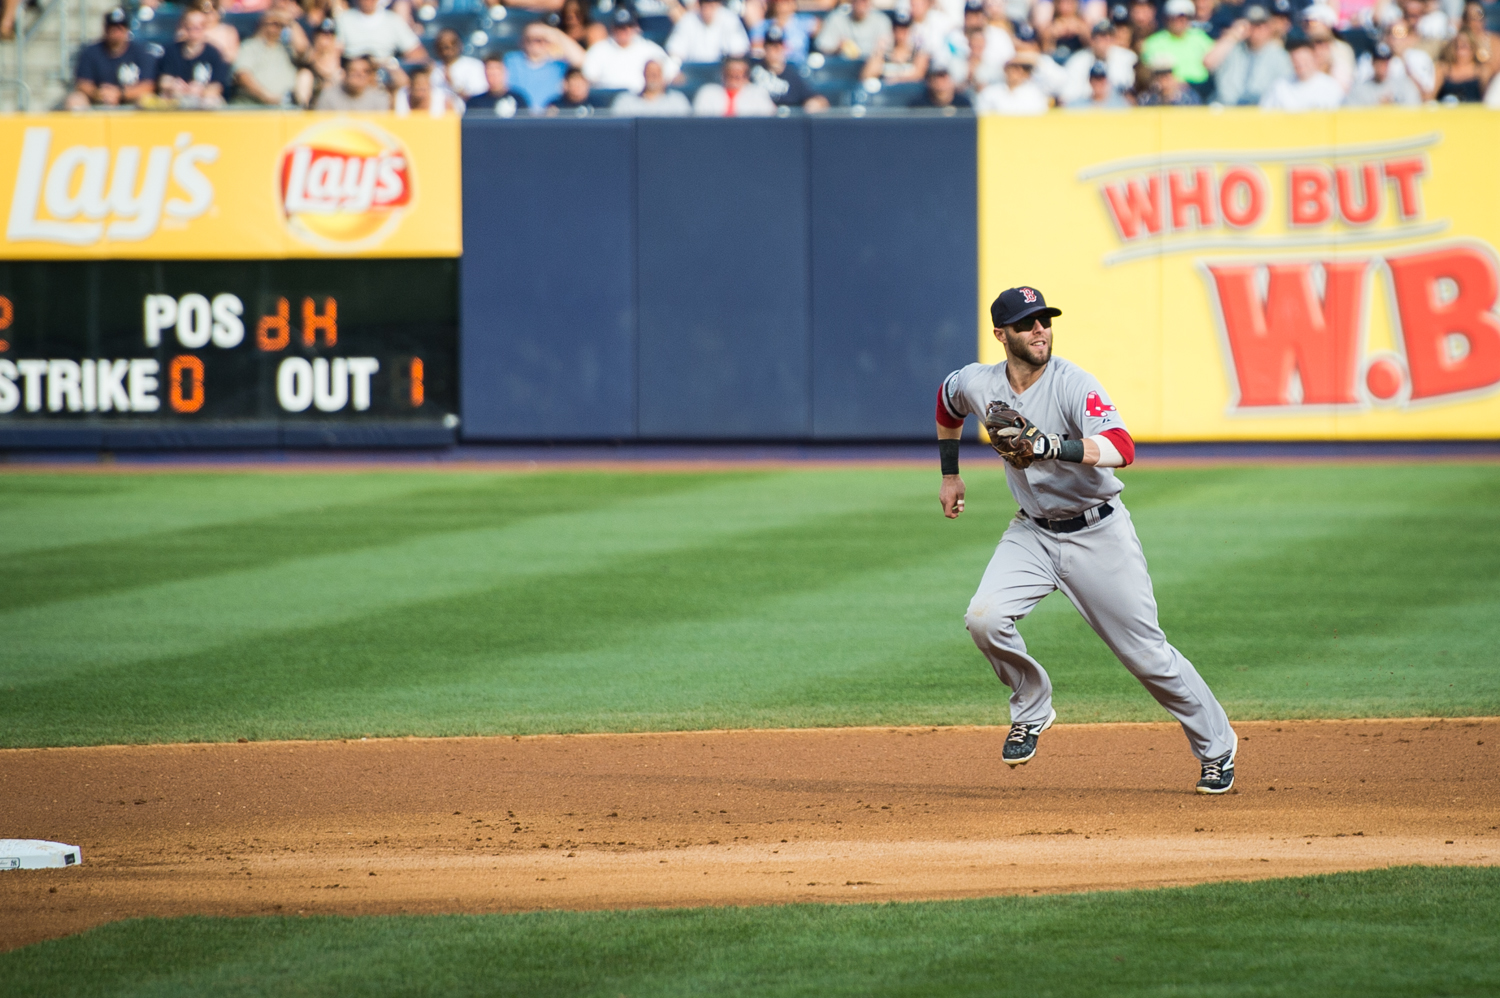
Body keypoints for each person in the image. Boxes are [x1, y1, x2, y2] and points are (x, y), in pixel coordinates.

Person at [936, 286, 1238, 795]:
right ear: (1000, 335)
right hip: (1031, 532)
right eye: (1028, 323)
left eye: (1045, 320)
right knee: (983, 618)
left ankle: (1218, 749)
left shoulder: (1073, 384)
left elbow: (1122, 446)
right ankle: (1032, 708)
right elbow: (947, 404)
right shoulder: (978, 383)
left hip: (1097, 533)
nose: (1040, 330)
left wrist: (1054, 446)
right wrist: (950, 475)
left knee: (1147, 656)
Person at [64, 8, 159, 109]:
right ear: (105, 29)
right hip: (97, 100)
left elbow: (148, 85)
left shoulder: (140, 51)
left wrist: (120, 93)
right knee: (74, 100)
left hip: (130, 100)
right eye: (112, 28)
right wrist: (98, 93)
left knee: (149, 100)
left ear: (127, 30)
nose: (116, 32)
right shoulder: (91, 51)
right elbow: (82, 83)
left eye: (120, 28)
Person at [1205, 4, 1293, 104]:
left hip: (1261, 111)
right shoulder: (1232, 48)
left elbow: (1287, 87)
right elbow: (1208, 62)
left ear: (1269, 27)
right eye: (1252, 25)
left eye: (1261, 25)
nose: (1257, 30)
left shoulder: (1278, 55)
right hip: (1227, 108)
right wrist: (1233, 35)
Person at [583, 7, 678, 93]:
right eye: (620, 27)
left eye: (628, 26)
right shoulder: (599, 50)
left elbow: (671, 73)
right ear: (613, 28)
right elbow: (588, 78)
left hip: (640, 101)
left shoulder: (650, 49)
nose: (624, 31)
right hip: (608, 103)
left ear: (635, 27)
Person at [158, 7, 232, 106]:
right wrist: (173, 85)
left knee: (212, 101)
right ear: (184, 27)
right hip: (176, 98)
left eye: (199, 27)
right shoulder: (172, 50)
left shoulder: (214, 53)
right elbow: (163, 81)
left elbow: (217, 87)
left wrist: (201, 90)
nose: (194, 31)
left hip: (202, 100)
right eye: (190, 27)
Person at [1140, 0, 1215, 96]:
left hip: (1203, 88)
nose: (1180, 21)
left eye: (1184, 17)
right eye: (1176, 17)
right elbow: (1150, 72)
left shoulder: (1200, 37)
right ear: (1168, 18)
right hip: (1171, 92)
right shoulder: (1154, 42)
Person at [505, 23, 585, 108]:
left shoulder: (557, 65)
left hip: (549, 116)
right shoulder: (511, 61)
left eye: (541, 39)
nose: (537, 43)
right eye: (531, 39)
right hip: (519, 116)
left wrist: (555, 32)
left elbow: (580, 61)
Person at [754, 24, 832, 106]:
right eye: (769, 47)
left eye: (777, 47)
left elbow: (817, 99)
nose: (773, 51)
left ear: (784, 48)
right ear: (764, 48)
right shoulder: (754, 67)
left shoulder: (792, 74)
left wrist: (813, 104)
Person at [233, 9, 299, 104]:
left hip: (284, 110)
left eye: (281, 25)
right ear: (263, 24)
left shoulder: (286, 49)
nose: (277, 28)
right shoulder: (250, 46)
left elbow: (304, 48)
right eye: (274, 23)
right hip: (253, 107)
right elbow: (242, 75)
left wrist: (291, 22)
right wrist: (267, 96)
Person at [1061, 19, 1137, 101]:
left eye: (1110, 36)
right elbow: (1068, 95)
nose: (1106, 40)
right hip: (1086, 109)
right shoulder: (1077, 61)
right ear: (1092, 40)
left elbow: (1128, 89)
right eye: (1102, 36)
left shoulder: (1127, 58)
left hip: (1116, 109)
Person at [1260, 33, 1343, 106]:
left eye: (1304, 60)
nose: (1300, 64)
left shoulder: (1330, 86)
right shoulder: (1280, 87)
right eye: (1296, 60)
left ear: (1314, 58)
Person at [336, 0, 427, 65]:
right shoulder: (344, 19)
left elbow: (416, 52)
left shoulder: (392, 19)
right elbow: (336, 50)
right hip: (353, 70)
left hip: (383, 72)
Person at [667, 0, 751, 64]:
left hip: (721, 73)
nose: (707, 10)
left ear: (718, 5)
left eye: (711, 6)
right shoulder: (687, 20)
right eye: (705, 6)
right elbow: (674, 53)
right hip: (693, 72)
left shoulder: (730, 19)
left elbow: (738, 53)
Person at [862, 9, 931, 82]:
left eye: (904, 29)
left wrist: (896, 80)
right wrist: (879, 52)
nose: (901, 34)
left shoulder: (917, 52)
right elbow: (867, 75)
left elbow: (919, 74)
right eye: (897, 29)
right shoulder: (884, 54)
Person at [693, 53, 778, 113]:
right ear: (723, 74)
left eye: (739, 74)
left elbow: (769, 121)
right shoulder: (707, 93)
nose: (735, 76)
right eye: (730, 73)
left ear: (747, 76)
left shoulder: (758, 93)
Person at [1345, 40, 1423, 101]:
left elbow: (1413, 110)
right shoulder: (1360, 89)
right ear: (1372, 63)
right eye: (1378, 62)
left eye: (1385, 62)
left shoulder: (1404, 86)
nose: (1382, 67)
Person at [314, 52, 399, 108]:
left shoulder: (380, 99)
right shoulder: (328, 97)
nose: (359, 75)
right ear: (345, 74)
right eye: (354, 71)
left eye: (364, 72)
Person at [815, 0, 893, 59]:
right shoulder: (837, 18)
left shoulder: (881, 20)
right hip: (841, 69)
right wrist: (837, 49)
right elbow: (822, 47)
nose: (862, 3)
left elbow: (889, 51)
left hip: (871, 70)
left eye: (865, 1)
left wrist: (880, 50)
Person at [612, 57, 694, 112]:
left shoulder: (677, 101)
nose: (653, 77)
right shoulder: (626, 102)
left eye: (657, 74)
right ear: (644, 75)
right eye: (650, 73)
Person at [294, 17, 343, 107]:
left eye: (329, 36)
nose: (325, 40)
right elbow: (301, 48)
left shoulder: (342, 64)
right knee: (305, 76)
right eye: (323, 35)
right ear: (315, 37)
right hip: (314, 110)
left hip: (339, 110)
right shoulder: (308, 63)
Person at [750, 0, 818, 64]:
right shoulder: (761, 26)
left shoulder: (805, 22)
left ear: (793, 4)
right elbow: (756, 51)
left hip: (799, 68)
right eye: (778, 1)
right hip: (772, 67)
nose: (781, 4)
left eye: (786, 1)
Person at [975, 52, 1050, 109]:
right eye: (1015, 68)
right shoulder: (990, 93)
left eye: (1024, 69)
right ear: (1005, 69)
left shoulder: (1035, 94)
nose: (1019, 72)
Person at [429, 28, 487, 100]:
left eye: (452, 43)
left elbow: (478, 99)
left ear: (460, 45)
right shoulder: (433, 69)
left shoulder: (475, 66)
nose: (448, 48)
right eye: (443, 46)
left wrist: (453, 84)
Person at [466, 54, 532, 115]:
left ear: (505, 72)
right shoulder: (475, 103)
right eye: (490, 74)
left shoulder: (518, 99)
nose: (494, 77)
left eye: (497, 73)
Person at [1434, 30, 1487, 98]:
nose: (1462, 50)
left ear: (1473, 48)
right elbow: (1431, 97)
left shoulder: (1481, 70)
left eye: (1466, 46)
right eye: (1459, 46)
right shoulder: (1443, 69)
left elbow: (1487, 99)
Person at [1136, 50, 1205, 101]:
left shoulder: (1188, 97)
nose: (1163, 79)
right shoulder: (1147, 97)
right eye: (1158, 75)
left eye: (1167, 74)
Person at [909, 64, 975, 106]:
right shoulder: (919, 105)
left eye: (944, 79)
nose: (940, 84)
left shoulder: (962, 104)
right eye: (937, 79)